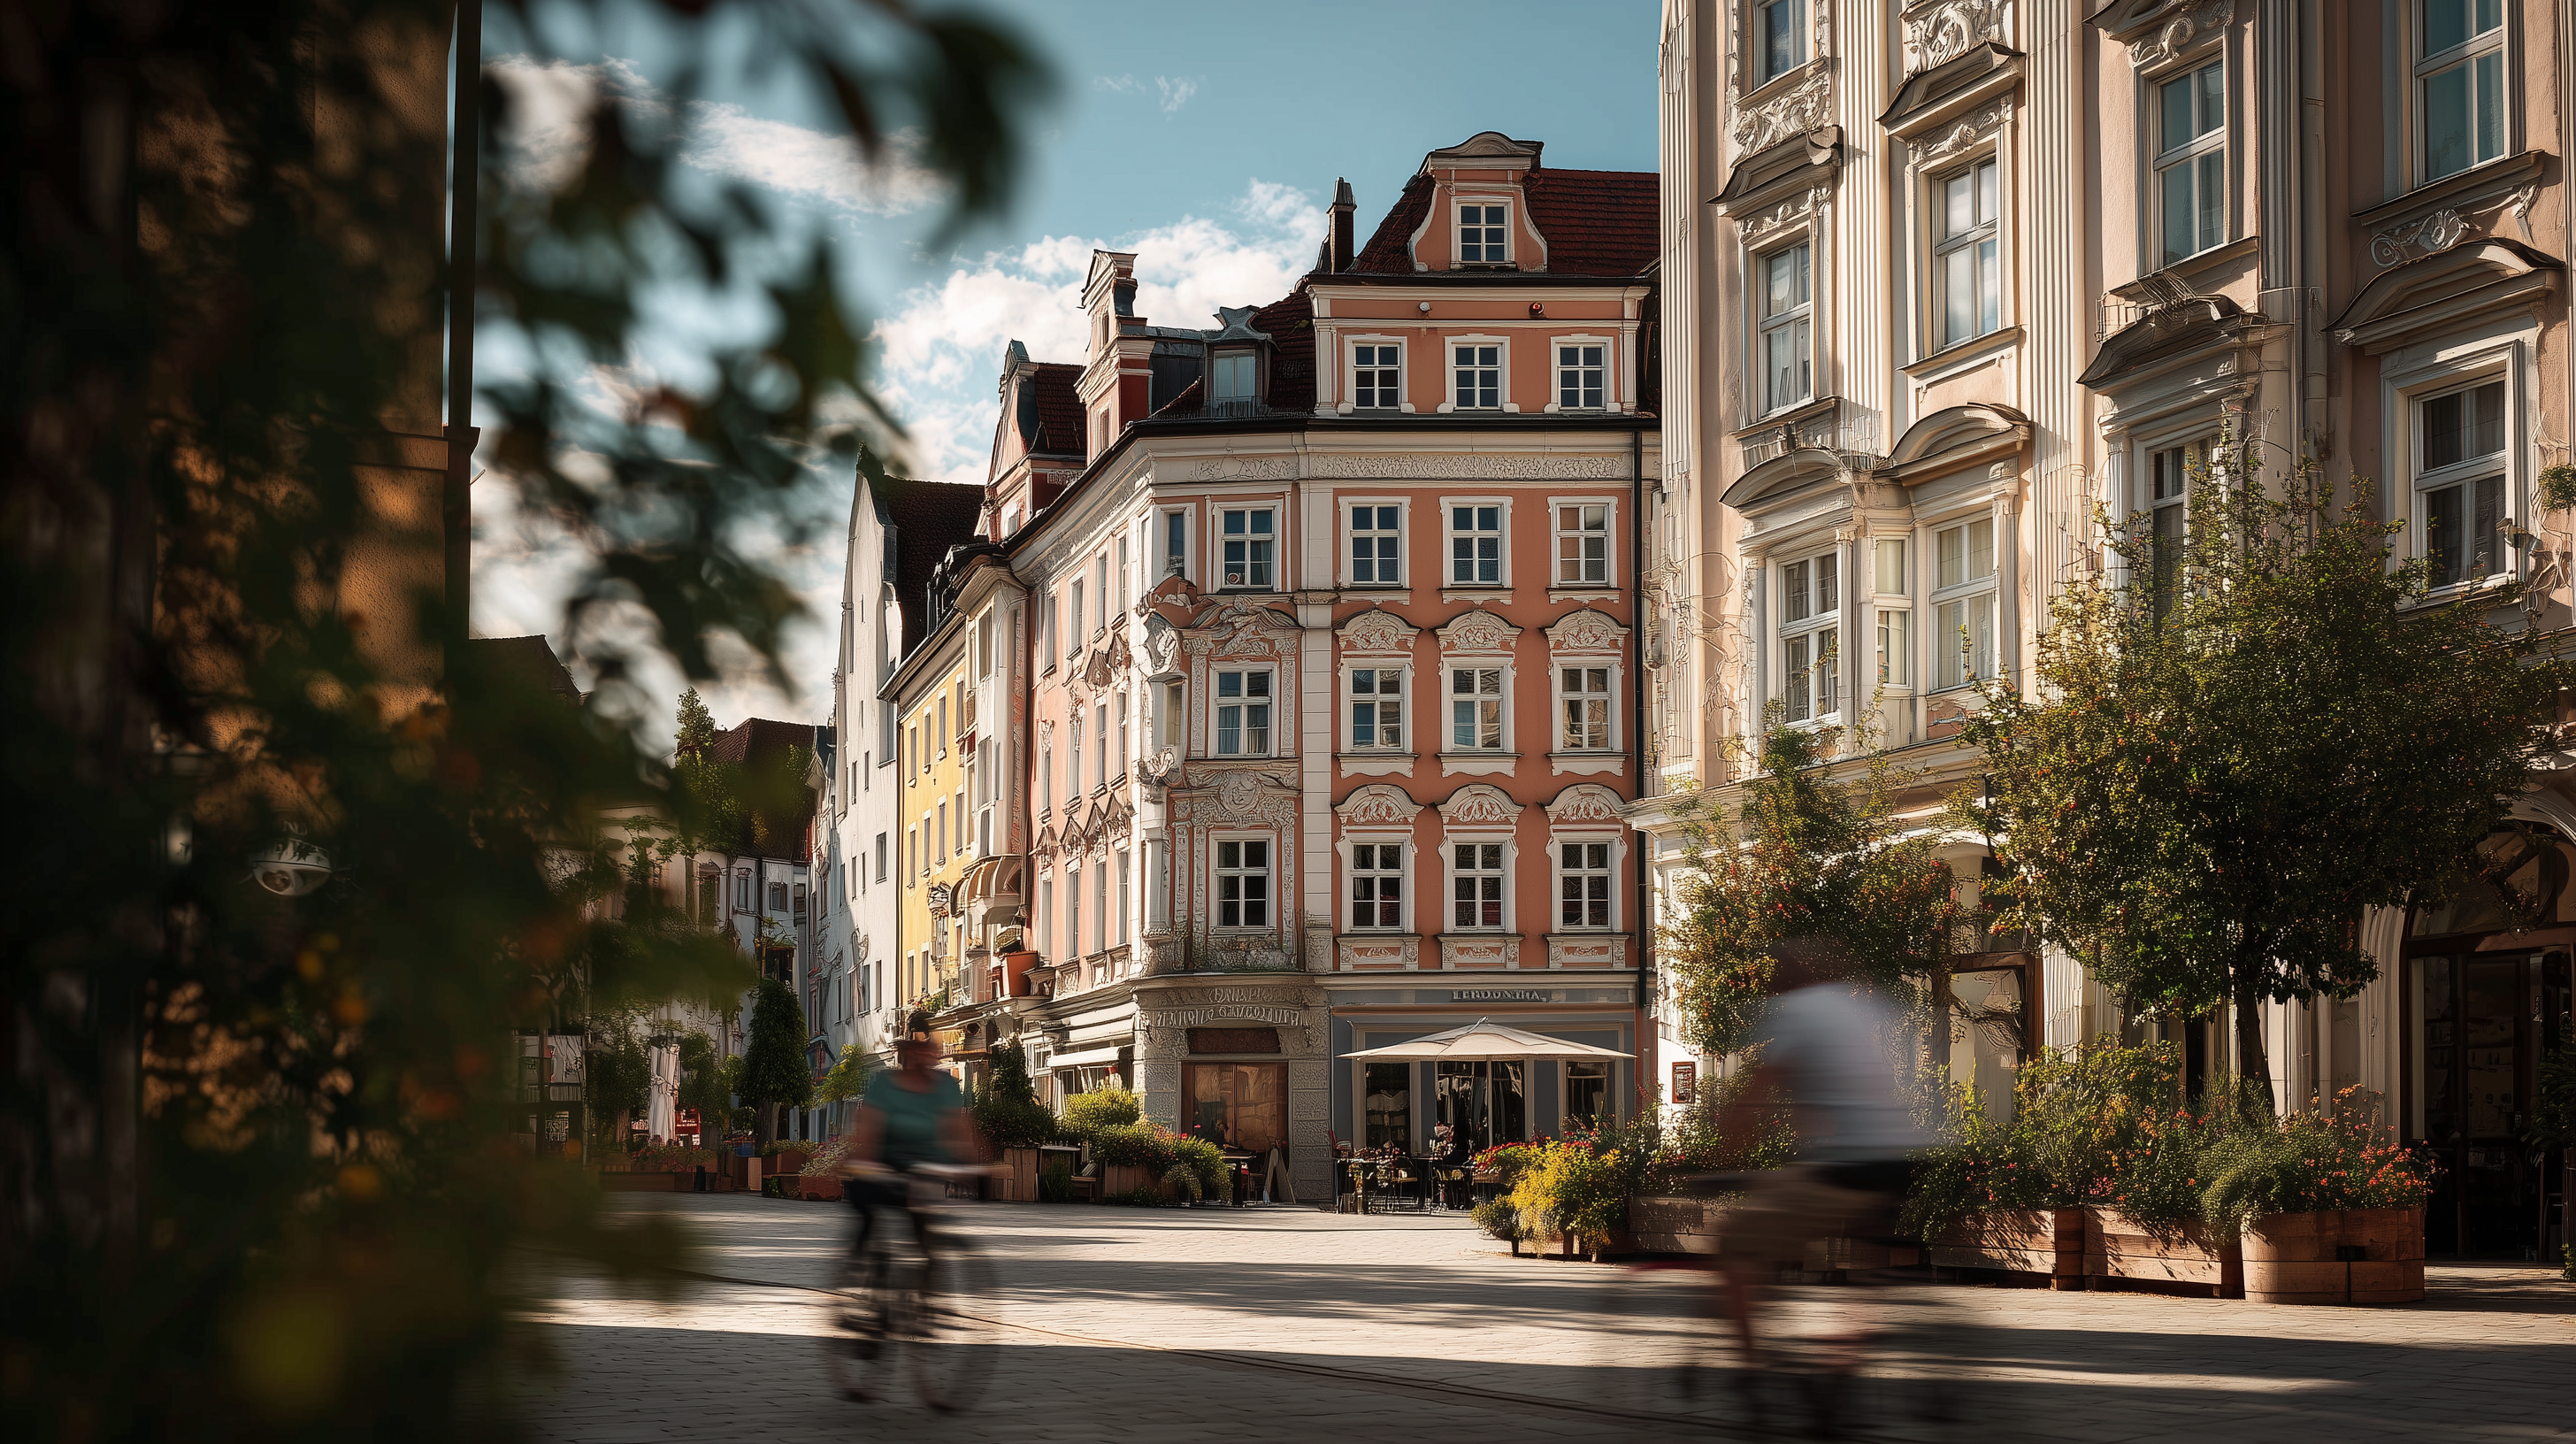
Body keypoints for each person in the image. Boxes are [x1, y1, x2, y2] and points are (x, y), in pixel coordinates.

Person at [1711, 937, 1930, 1364]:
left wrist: (1723, 1150)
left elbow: (1754, 1095)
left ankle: (1755, 1367)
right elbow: (1828, 1101)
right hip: (1902, 1159)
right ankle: (1839, 1373)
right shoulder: (1859, 1008)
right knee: (1824, 1240)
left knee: (1736, 1242)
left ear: (1781, 981)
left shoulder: (1798, 1013)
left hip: (1851, 1166)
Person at [841, 1035, 985, 1260]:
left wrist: (966, 1163)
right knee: (864, 1204)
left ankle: (924, 1279)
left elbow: (956, 1130)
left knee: (922, 1229)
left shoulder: (945, 1087)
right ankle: (868, 1258)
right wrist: (864, 1159)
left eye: (928, 1049)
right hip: (887, 1164)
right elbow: (869, 1131)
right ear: (905, 1053)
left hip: (928, 1168)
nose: (924, 1055)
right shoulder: (885, 1085)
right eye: (917, 1049)